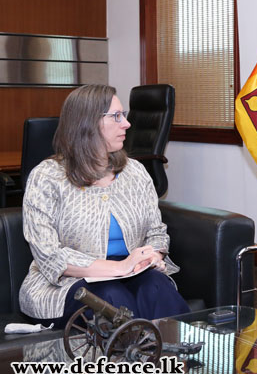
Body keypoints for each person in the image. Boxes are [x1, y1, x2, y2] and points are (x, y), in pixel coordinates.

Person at [19, 84, 189, 328]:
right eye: (117, 116)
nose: (127, 124)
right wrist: (120, 267)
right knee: (112, 301)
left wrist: (152, 255)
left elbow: (156, 232)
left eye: (124, 115)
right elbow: (49, 256)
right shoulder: (46, 177)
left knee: (157, 287)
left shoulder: (136, 172)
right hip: (67, 283)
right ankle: (137, 364)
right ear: (87, 123)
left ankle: (180, 363)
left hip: (131, 272)